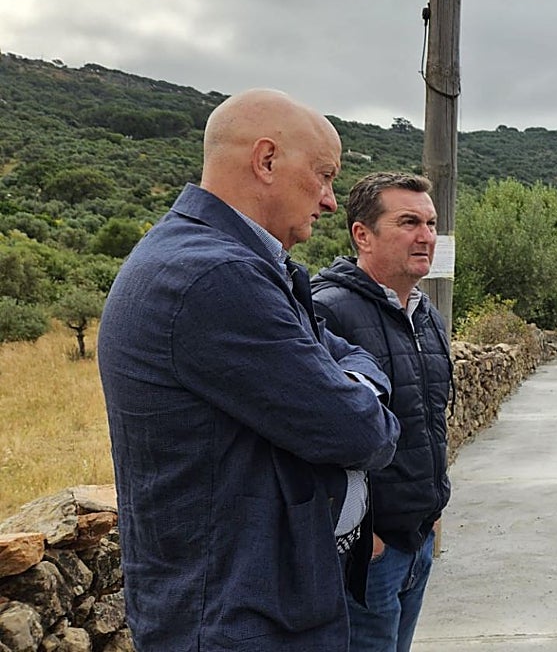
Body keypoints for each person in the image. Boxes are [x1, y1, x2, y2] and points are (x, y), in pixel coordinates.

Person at [97, 89, 401, 652]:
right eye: (325, 175)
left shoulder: (215, 259)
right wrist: (357, 394)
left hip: (238, 606)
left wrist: (349, 381)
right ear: (266, 161)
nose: (332, 201)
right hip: (240, 619)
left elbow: (346, 357)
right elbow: (361, 431)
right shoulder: (216, 276)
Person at [311, 172, 452, 652]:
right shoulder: (326, 312)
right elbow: (311, 435)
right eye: (409, 222)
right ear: (362, 235)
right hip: (366, 554)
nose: (426, 236)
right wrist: (358, 534)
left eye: (431, 223)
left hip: (415, 543)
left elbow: (429, 420)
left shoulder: (425, 312)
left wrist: (432, 512)